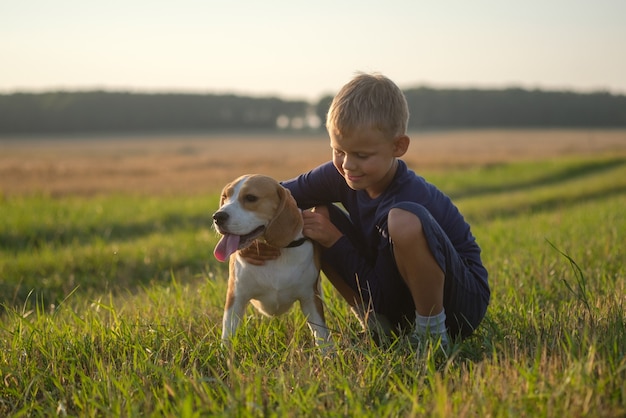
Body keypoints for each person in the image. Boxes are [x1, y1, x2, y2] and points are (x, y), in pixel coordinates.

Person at [242, 73, 490, 347]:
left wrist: (333, 241)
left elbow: (383, 295)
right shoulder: (342, 174)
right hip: (395, 294)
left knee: (402, 221)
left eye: (362, 155)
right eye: (338, 151)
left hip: (458, 305)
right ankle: (378, 328)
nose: (347, 165)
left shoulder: (406, 198)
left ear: (398, 146)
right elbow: (275, 197)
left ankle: (432, 336)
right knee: (318, 214)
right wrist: (249, 233)